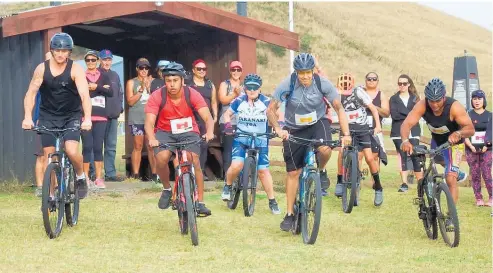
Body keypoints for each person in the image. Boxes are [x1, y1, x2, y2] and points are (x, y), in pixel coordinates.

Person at [266, 53, 352, 231]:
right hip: (293, 127)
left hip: (317, 123)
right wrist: (278, 129)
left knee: (326, 149)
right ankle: (290, 214)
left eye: (308, 72)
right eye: (301, 72)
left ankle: (320, 171)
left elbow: (339, 108)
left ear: (313, 70)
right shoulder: (287, 84)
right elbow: (271, 110)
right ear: (296, 72)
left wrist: (346, 134)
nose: (305, 76)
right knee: (293, 173)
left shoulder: (322, 83)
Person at [22, 32, 91, 198]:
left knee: (71, 150)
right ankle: (52, 194)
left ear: (69, 52)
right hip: (48, 115)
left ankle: (81, 176)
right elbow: (31, 94)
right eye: (57, 50)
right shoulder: (41, 69)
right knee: (50, 157)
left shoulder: (75, 69)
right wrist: (27, 117)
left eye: (64, 51)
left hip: (71, 116)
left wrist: (87, 118)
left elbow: (84, 95)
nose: (60, 54)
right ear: (52, 51)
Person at [145, 62, 214, 216]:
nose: (172, 84)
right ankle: (166, 189)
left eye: (175, 80)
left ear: (183, 80)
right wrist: (151, 138)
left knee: (194, 159)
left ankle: (200, 202)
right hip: (165, 131)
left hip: (188, 130)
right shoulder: (157, 96)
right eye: (168, 81)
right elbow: (149, 122)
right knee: (161, 158)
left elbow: (207, 117)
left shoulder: (192, 94)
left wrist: (209, 132)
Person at [400, 78, 475, 204]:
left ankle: (451, 215)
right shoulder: (422, 105)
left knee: (450, 178)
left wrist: (459, 132)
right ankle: (458, 172)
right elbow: (406, 124)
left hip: (454, 143)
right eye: (431, 101)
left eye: (438, 101)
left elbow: (471, 129)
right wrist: (405, 140)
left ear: (444, 97)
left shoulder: (454, 107)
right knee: (439, 162)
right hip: (437, 141)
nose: (434, 105)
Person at [220, 73, 281, 214]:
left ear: (260, 88)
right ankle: (228, 186)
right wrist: (228, 125)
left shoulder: (267, 102)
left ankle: (272, 201)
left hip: (261, 140)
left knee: (263, 171)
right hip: (242, 138)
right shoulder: (239, 100)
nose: (252, 91)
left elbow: (278, 115)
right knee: (236, 165)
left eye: (255, 88)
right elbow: (226, 114)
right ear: (244, 88)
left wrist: (279, 125)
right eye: (249, 88)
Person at [334, 73, 384, 206]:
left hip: (362, 129)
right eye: (343, 85)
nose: (345, 87)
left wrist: (378, 125)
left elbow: (373, 109)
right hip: (346, 130)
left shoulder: (358, 92)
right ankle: (340, 180)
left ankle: (378, 187)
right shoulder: (336, 95)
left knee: (369, 158)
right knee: (341, 151)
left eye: (347, 84)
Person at [81, 50, 112, 189]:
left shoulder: (104, 75)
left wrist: (95, 87)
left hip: (101, 116)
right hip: (85, 116)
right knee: (87, 147)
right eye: (88, 60)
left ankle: (99, 178)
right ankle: (85, 177)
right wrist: (100, 90)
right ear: (85, 62)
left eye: (93, 60)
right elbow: (79, 92)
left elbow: (110, 92)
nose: (91, 62)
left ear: (97, 61)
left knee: (98, 147)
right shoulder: (81, 75)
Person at [389, 74, 423, 192]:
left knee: (415, 155)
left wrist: (409, 114)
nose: (402, 86)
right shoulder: (393, 99)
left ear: (408, 84)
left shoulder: (415, 98)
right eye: (400, 83)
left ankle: (420, 182)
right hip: (398, 131)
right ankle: (404, 183)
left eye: (404, 83)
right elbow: (394, 115)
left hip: (413, 130)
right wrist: (411, 114)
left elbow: (419, 114)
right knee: (402, 156)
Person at [186, 59, 218, 180]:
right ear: (193, 70)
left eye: (204, 69)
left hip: (205, 120)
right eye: (199, 69)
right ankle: (189, 172)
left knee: (204, 146)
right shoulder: (187, 84)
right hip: (192, 119)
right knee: (190, 145)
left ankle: (201, 171)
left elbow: (214, 102)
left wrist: (214, 117)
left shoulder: (210, 85)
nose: (201, 71)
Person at [126, 58, 157, 180]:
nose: (144, 70)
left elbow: (157, 99)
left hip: (150, 119)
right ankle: (135, 174)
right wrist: (141, 89)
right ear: (137, 69)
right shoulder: (131, 82)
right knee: (138, 146)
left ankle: (154, 174)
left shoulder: (153, 82)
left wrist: (149, 88)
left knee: (151, 145)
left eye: (146, 68)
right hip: (137, 118)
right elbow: (130, 102)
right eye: (141, 68)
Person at [97, 49, 125, 182]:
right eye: (104, 59)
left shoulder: (115, 75)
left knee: (111, 146)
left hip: (113, 115)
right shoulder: (95, 74)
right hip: (99, 116)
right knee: (96, 146)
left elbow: (120, 92)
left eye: (109, 59)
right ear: (100, 60)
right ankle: (94, 173)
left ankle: (110, 173)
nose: (107, 62)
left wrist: (120, 107)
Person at [464, 90, 492, 206]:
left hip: (487, 149)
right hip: (471, 149)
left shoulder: (490, 115)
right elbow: (464, 132)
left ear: (483, 100)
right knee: (475, 174)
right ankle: (478, 198)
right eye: (474, 99)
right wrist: (470, 146)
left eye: (479, 99)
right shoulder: (467, 115)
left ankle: (491, 197)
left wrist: (487, 145)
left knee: (486, 173)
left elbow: (491, 132)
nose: (477, 101)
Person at [218, 61, 244, 179]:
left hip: (243, 121)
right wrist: (234, 94)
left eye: (238, 70)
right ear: (230, 71)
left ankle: (241, 176)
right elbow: (223, 100)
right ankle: (227, 177)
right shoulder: (225, 84)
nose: (236, 72)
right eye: (233, 70)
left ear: (241, 71)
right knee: (228, 148)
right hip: (228, 121)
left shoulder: (245, 85)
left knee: (242, 148)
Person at [33, 52, 52, 197]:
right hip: (42, 120)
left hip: (59, 120)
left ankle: (54, 186)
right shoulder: (41, 77)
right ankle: (40, 186)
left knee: (55, 156)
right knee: (41, 155)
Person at [362, 72, 389, 171]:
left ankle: (375, 182)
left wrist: (373, 107)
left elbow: (386, 113)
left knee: (375, 156)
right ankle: (356, 181)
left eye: (374, 79)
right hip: (361, 129)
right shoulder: (360, 93)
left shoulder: (381, 95)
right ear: (365, 81)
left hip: (375, 129)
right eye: (369, 79)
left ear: (377, 81)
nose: (371, 81)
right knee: (359, 155)